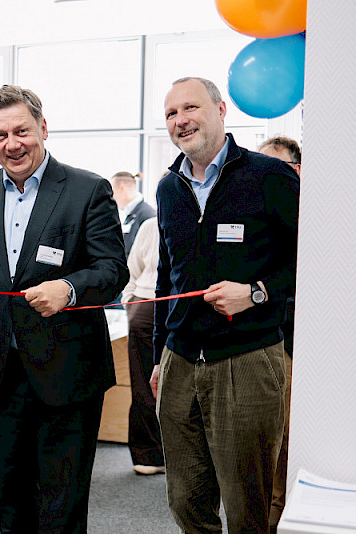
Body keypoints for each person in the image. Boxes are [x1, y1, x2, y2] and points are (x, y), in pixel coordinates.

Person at [0, 85, 128, 533]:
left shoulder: (87, 189)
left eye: (21, 130)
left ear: (43, 128)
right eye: (0, 135)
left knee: (63, 502)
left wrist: (69, 288)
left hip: (69, 373)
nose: (12, 143)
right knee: (13, 497)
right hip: (2, 371)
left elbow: (113, 269)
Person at [150, 78, 299, 533]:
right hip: (180, 360)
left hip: (248, 359)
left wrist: (254, 292)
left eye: (190, 107)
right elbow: (165, 277)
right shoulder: (168, 188)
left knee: (245, 505)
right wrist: (160, 354)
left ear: (220, 109)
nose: (181, 120)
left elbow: (314, 262)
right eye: (172, 114)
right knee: (185, 501)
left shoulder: (270, 177)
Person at [258, 135, 301, 532]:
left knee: (287, 449)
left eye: (276, 167)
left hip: (300, 348)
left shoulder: (310, 222)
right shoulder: (257, 222)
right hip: (266, 345)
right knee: (267, 450)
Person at [120, 216, 164, 476]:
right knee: (143, 385)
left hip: (185, 306)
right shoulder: (151, 225)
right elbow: (132, 269)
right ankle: (148, 456)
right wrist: (131, 303)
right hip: (147, 306)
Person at [110, 171, 155, 257]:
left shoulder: (146, 215)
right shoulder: (131, 214)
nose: (110, 196)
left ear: (121, 188)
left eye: (112, 191)